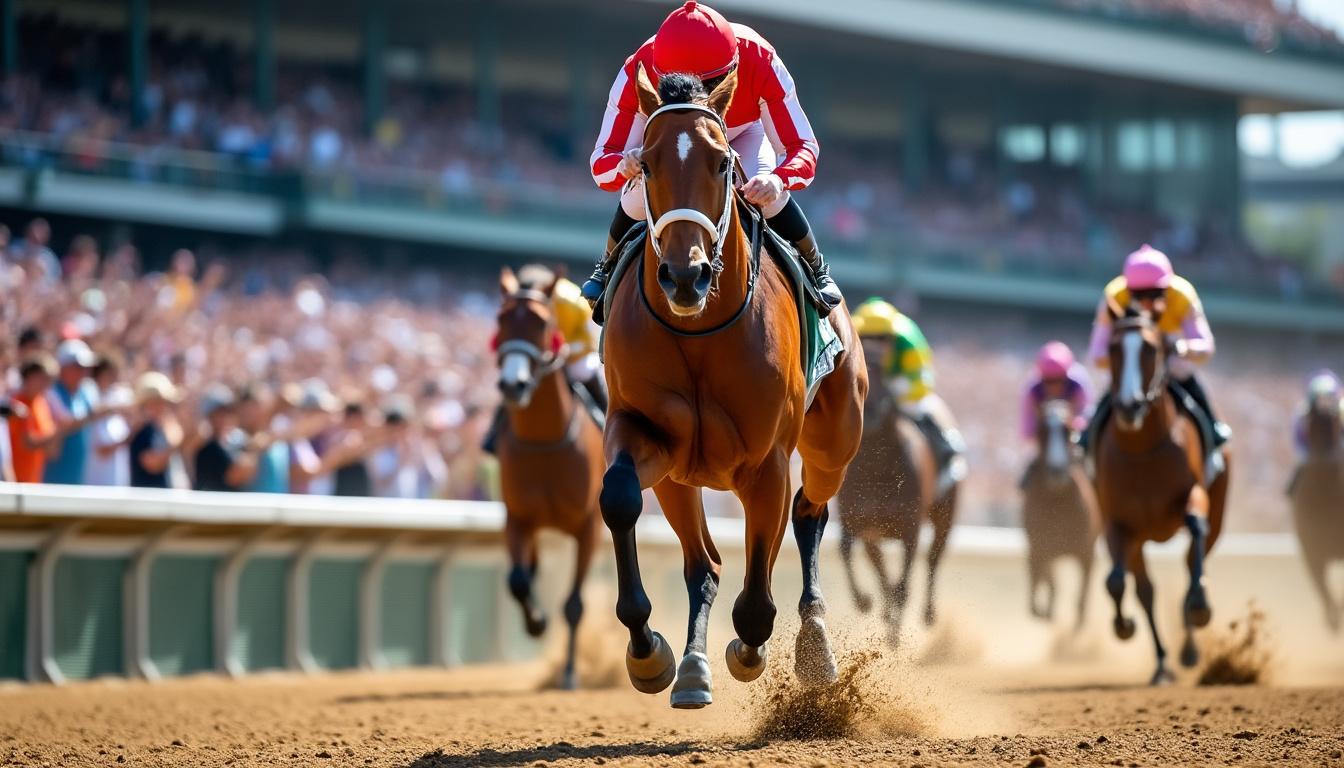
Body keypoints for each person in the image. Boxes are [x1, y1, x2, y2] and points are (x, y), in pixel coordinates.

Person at [581, 1, 841, 316]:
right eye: (688, 87)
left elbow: (803, 146)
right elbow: (601, 163)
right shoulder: (637, 68)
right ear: (662, 75)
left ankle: (815, 267)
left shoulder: (761, 59)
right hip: (671, 140)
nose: (701, 99)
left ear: (733, 68)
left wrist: (777, 179)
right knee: (638, 194)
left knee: (766, 197)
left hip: (742, 133)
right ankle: (606, 267)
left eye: (711, 86)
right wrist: (625, 166)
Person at [1082, 245, 1230, 473]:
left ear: (1167, 289)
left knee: (1205, 416)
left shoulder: (1182, 296)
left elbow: (1206, 347)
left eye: (1154, 295)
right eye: (1139, 296)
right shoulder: (1114, 297)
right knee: (1096, 419)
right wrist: (1127, 356)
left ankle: (1212, 436)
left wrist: (1181, 347)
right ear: (1128, 291)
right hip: (1130, 375)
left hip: (1174, 370)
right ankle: (1087, 444)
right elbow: (1097, 354)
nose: (1146, 304)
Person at [850, 297, 966, 494]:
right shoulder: (850, 333)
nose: (875, 345)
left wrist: (894, 394)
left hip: (905, 379)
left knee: (921, 408)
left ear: (893, 336)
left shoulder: (908, 341)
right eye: (868, 337)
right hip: (872, 383)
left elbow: (921, 383)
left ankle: (946, 449)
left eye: (882, 338)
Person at [42, 339, 102, 485]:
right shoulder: (51, 392)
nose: (83, 372)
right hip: (52, 477)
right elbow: (64, 424)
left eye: (85, 367)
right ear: (63, 367)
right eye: (77, 367)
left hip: (79, 477)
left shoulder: (86, 392)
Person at [1020, 341, 1092, 443]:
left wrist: (1077, 422)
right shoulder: (1033, 389)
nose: (1053, 386)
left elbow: (1087, 411)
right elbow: (1027, 426)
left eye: (1058, 380)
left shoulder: (1078, 384)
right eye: (1048, 381)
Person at [193, 385, 259, 492]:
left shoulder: (236, 442)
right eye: (220, 413)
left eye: (228, 412)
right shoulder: (207, 449)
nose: (226, 417)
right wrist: (253, 452)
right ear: (210, 416)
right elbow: (234, 476)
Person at [84, 352, 135, 487]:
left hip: (116, 481)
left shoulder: (117, 398)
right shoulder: (89, 397)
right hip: (95, 482)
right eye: (109, 374)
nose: (113, 379)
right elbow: (102, 450)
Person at [7, 355, 59, 483]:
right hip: (14, 480)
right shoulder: (15, 405)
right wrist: (61, 431)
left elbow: (52, 451)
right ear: (29, 376)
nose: (46, 384)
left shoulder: (42, 403)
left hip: (33, 478)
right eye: (42, 378)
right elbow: (27, 443)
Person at [129, 372, 184, 490]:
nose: (164, 407)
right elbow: (153, 464)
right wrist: (175, 442)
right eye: (160, 402)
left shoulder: (158, 430)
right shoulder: (143, 431)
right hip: (147, 502)